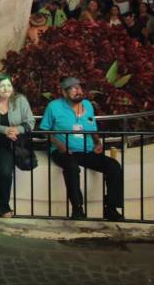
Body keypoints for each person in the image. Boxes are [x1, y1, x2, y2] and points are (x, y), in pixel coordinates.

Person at [40, 77, 123, 220]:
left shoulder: (88, 105)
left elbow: (92, 128)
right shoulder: (54, 106)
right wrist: (59, 145)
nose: (78, 90)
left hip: (87, 150)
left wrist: (98, 142)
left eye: (79, 87)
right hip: (64, 151)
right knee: (71, 167)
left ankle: (110, 208)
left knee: (114, 166)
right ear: (65, 93)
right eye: (73, 88)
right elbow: (44, 131)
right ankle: (77, 208)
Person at [0, 73, 35, 218]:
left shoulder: (20, 100)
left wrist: (17, 129)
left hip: (10, 144)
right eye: (2, 85)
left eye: (9, 85)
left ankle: (3, 206)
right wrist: (4, 129)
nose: (6, 88)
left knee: (4, 172)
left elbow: (30, 122)